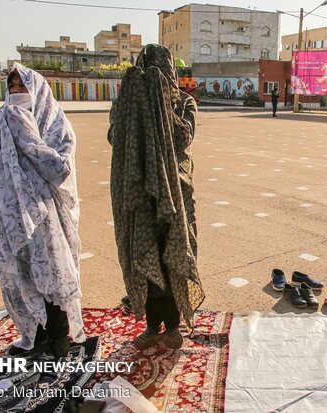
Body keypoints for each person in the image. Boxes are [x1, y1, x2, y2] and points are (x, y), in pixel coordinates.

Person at [0, 63, 85, 357]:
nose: (16, 92)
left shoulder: (54, 123)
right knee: (18, 276)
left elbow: (60, 170)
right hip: (5, 217)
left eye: (22, 87)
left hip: (45, 217)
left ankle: (58, 337)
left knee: (51, 277)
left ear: (38, 91)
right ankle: (33, 335)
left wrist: (27, 136)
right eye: (12, 87)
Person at [108, 44, 204, 351]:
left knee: (172, 254)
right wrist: (135, 104)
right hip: (140, 190)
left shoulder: (184, 103)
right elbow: (115, 136)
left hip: (176, 191)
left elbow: (183, 137)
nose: (158, 79)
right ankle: (152, 324)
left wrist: (160, 105)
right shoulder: (129, 102)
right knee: (144, 252)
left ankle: (174, 324)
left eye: (162, 74)